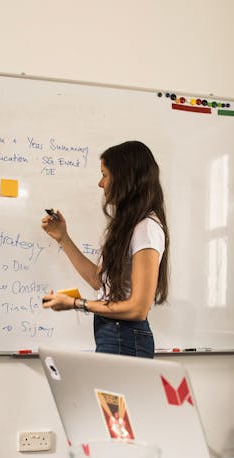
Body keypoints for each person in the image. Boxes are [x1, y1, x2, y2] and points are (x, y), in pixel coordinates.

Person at [40, 140, 169, 358]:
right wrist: (63, 238)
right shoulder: (131, 226)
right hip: (112, 333)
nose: (100, 183)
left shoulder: (146, 228)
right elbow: (99, 281)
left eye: (105, 175)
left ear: (125, 178)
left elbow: (138, 309)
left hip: (125, 338)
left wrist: (76, 304)